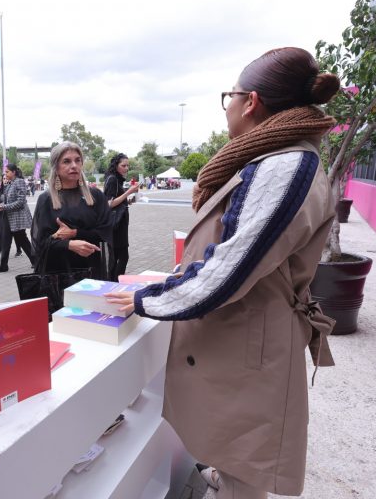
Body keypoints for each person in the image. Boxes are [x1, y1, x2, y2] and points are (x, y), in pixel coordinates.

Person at [107, 47, 340, 499]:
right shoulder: (279, 157)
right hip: (247, 329)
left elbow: (230, 269)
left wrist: (150, 298)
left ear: (250, 102)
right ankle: (227, 480)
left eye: (229, 96)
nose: (228, 106)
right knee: (238, 447)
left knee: (248, 453)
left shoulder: (286, 165)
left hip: (252, 336)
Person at [31, 142, 112, 277]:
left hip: (91, 271)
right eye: (66, 161)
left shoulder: (95, 196)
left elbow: (106, 232)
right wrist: (68, 244)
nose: (74, 165)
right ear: (56, 167)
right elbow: (40, 244)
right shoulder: (46, 200)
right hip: (58, 274)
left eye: (77, 160)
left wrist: (75, 233)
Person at [103, 153, 140, 281]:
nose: (126, 168)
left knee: (118, 256)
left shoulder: (117, 179)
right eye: (123, 165)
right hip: (115, 226)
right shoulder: (113, 179)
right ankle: (115, 282)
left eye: (127, 165)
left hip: (119, 224)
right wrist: (129, 191)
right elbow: (109, 203)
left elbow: (117, 201)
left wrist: (128, 201)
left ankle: (114, 281)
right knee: (121, 257)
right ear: (116, 166)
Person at [0, 163, 35, 272]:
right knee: (6, 241)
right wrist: (2, 204)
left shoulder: (20, 182)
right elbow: (7, 199)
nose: (5, 173)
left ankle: (35, 261)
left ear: (14, 172)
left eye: (7, 171)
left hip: (17, 218)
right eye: (5, 172)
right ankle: (4, 266)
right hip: (8, 217)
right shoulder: (10, 183)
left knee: (22, 240)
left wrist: (4, 207)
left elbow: (21, 202)